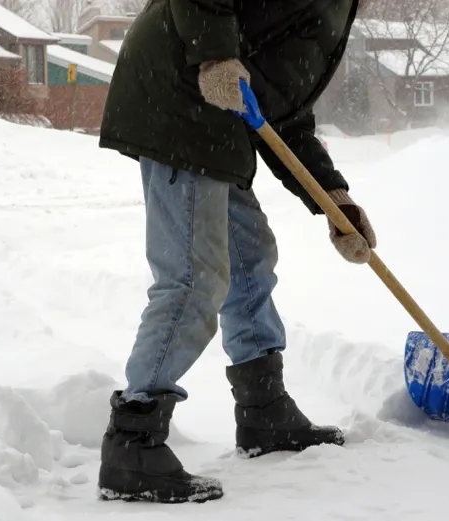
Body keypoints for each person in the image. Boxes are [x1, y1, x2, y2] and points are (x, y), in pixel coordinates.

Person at [95, 0, 374, 504]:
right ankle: (133, 440)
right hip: (181, 93)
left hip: (218, 110)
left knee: (250, 256)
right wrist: (214, 55)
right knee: (192, 276)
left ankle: (263, 409)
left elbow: (280, 109)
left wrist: (333, 199)